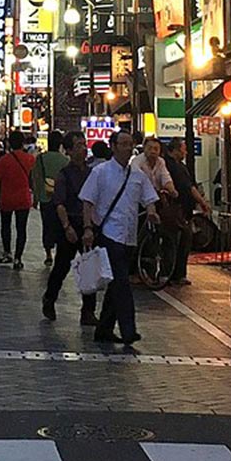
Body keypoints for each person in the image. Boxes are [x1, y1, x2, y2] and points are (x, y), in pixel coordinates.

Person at [80, 131, 161, 347]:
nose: (127, 148)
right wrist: (87, 228)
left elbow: (149, 198)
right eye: (123, 144)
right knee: (122, 283)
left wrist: (152, 212)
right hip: (109, 235)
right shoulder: (100, 172)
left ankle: (104, 329)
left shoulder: (137, 175)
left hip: (129, 237)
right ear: (113, 147)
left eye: (129, 144)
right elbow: (87, 201)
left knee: (116, 284)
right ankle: (128, 329)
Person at [42, 134, 101, 325]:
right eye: (77, 146)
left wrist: (89, 227)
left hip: (88, 225)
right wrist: (67, 227)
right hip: (71, 223)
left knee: (89, 267)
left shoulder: (92, 173)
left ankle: (88, 310)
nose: (82, 149)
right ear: (68, 150)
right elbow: (59, 203)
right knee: (62, 265)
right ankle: (50, 299)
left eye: (84, 145)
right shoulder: (64, 174)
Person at [160, 136, 210, 287]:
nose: (186, 152)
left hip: (175, 209)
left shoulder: (171, 164)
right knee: (177, 242)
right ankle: (172, 274)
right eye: (183, 149)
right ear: (175, 150)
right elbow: (189, 187)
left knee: (176, 242)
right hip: (176, 210)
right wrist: (202, 203)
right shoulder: (174, 166)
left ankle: (172, 274)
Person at [0, 134, 36, 268]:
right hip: (23, 198)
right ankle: (18, 258)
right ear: (23, 143)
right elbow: (33, 179)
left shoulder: (4, 160)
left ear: (9, 144)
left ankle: (7, 253)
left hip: (7, 197)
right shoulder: (30, 159)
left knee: (6, 226)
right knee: (21, 229)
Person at [32, 134, 69, 269]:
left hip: (45, 197)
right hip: (61, 199)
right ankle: (60, 251)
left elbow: (36, 178)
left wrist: (35, 197)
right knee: (60, 225)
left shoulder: (41, 158)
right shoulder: (65, 160)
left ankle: (48, 253)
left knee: (47, 225)